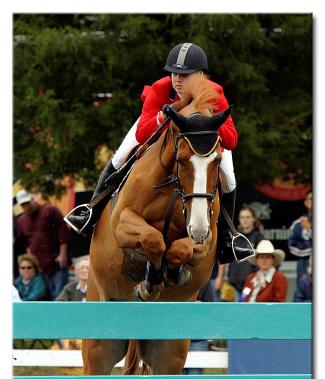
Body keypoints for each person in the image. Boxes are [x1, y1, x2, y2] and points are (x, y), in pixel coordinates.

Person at [65, 42, 253, 264]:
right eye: (174, 73)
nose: (177, 80)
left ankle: (226, 240)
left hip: (204, 142)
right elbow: (144, 132)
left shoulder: (215, 94)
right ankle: (91, 211)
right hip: (159, 130)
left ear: (200, 75)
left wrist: (208, 117)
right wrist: (163, 117)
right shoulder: (160, 89)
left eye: (185, 74)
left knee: (229, 178)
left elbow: (231, 140)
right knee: (120, 156)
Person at [15, 189, 71, 300]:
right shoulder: (21, 220)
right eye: (23, 204)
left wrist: (63, 254)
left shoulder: (49, 210)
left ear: (32, 199)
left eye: (27, 202)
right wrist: (29, 256)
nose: (26, 206)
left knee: (59, 297)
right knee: (42, 298)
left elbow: (63, 232)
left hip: (56, 264)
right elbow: (23, 242)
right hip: (38, 268)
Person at [227, 206, 264, 297]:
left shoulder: (259, 238)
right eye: (242, 217)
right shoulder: (235, 237)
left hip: (251, 285)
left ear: (254, 219)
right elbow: (226, 259)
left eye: (248, 217)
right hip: (233, 284)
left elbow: (264, 261)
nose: (245, 220)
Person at [288, 190, 312, 283]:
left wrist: (309, 231)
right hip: (304, 267)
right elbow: (292, 246)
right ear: (306, 202)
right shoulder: (298, 224)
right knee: (302, 295)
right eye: (311, 199)